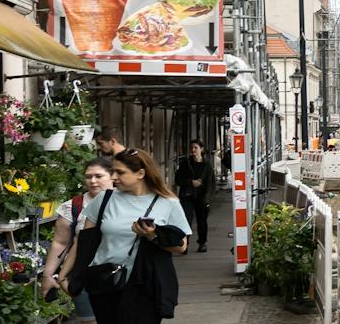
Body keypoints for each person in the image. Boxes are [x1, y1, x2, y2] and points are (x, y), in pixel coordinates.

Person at [68, 148, 191, 324]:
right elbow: (84, 241)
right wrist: (66, 276)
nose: (113, 177)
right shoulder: (104, 198)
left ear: (140, 173)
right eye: (113, 172)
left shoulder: (168, 202)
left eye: (120, 172)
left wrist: (152, 235)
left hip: (145, 285)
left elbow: (182, 246)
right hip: (105, 282)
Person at [42, 158, 113, 322]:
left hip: (118, 272)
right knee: (90, 321)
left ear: (112, 176)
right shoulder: (74, 206)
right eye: (88, 176)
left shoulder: (125, 202)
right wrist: (48, 275)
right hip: (83, 275)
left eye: (98, 176)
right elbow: (60, 243)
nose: (93, 181)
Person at [172, 139, 215, 252]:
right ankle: (185, 244)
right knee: (186, 220)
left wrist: (207, 199)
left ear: (201, 149)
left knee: (202, 221)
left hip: (202, 197)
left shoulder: (207, 165)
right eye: (191, 148)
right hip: (187, 196)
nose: (193, 150)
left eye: (196, 147)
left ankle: (202, 243)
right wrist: (191, 182)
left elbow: (211, 183)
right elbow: (178, 180)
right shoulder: (185, 163)